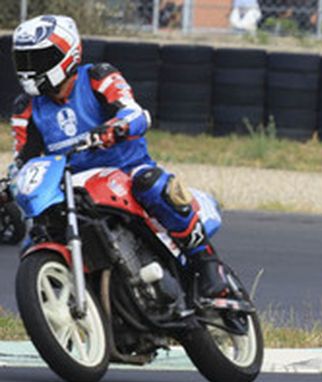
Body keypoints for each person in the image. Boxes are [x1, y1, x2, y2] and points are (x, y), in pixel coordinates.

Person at [9, 15, 230, 299]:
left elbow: (135, 112)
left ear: (68, 53)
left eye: (38, 58)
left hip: (126, 169)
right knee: (33, 240)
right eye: (24, 60)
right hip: (70, 186)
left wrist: (117, 127)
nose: (30, 69)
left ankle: (205, 260)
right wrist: (11, 184)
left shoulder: (98, 77)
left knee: (153, 184)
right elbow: (24, 160)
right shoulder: (26, 107)